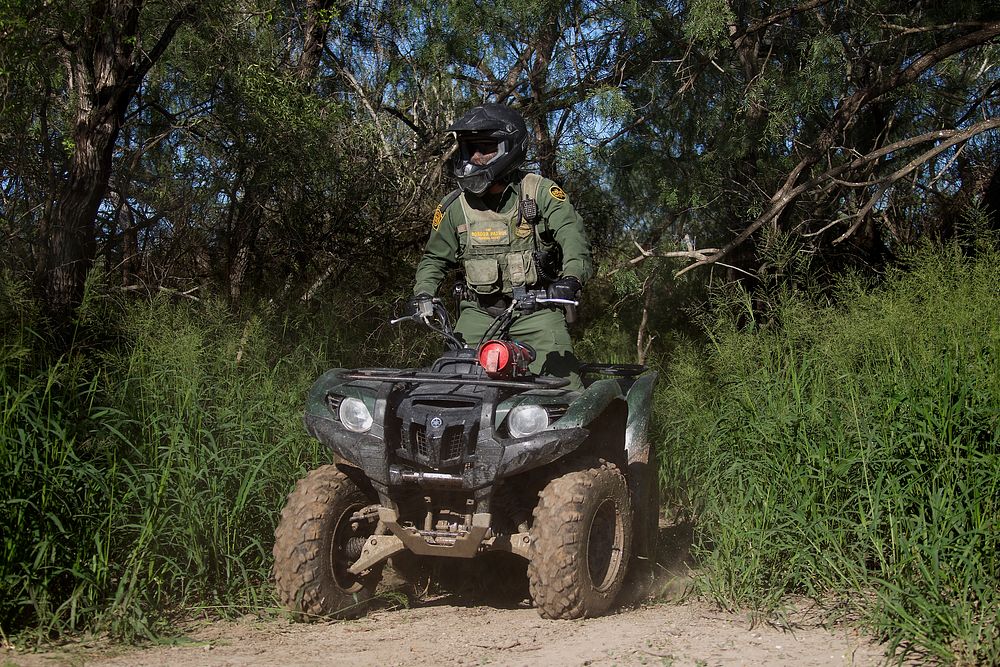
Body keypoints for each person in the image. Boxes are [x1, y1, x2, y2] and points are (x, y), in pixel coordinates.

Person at [409, 103, 592, 387]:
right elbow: (434, 258)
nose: (476, 158)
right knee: (452, 385)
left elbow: (572, 236)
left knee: (565, 390)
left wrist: (571, 279)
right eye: (471, 150)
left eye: (486, 149)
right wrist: (423, 295)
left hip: (537, 312)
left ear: (510, 148)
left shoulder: (539, 192)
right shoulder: (454, 207)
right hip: (478, 314)